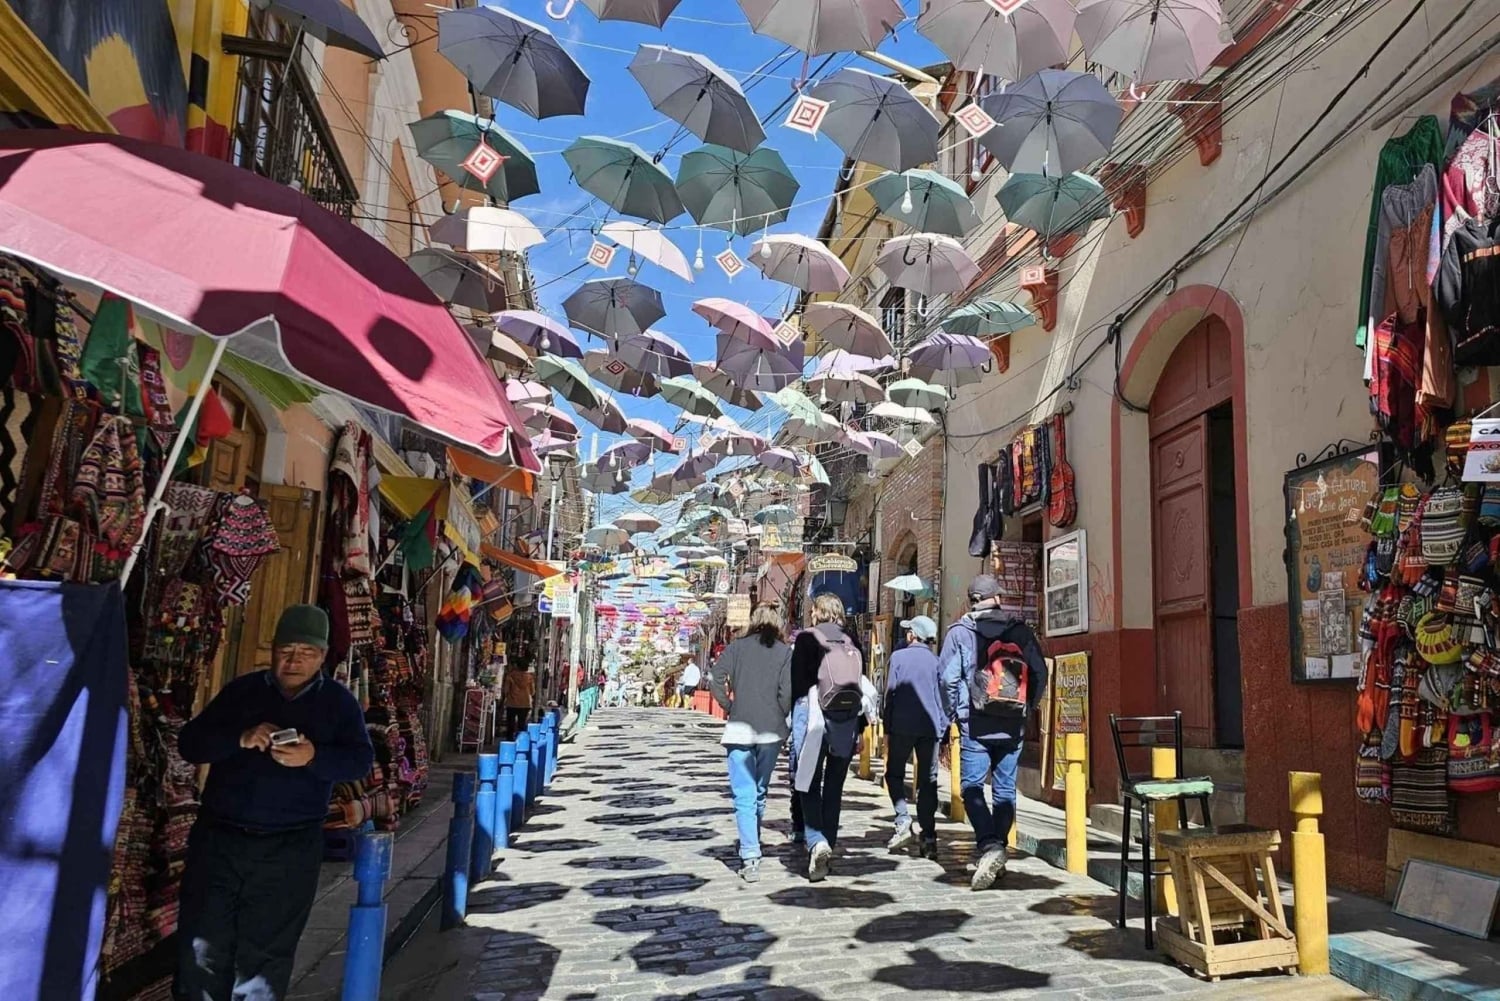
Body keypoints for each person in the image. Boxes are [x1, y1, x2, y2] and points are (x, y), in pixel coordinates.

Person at [175, 604, 374, 1001]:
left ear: (321, 657)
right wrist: (239, 737)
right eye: (287, 649)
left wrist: (314, 756)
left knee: (266, 956)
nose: (294, 660)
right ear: (273, 650)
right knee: (202, 948)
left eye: (306, 652)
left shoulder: (337, 703)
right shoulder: (242, 692)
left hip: (289, 847)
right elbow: (190, 744)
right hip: (220, 841)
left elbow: (360, 761)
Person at [940, 574, 1048, 891]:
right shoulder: (1019, 630)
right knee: (1004, 790)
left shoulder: (960, 633)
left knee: (971, 787)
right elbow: (1040, 672)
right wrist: (1028, 705)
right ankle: (997, 848)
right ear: (997, 598)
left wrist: (953, 714)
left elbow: (947, 679)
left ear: (972, 600)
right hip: (1012, 722)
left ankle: (990, 845)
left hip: (975, 722)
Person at [791, 593, 877, 882]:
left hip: (813, 718)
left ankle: (817, 841)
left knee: (807, 783)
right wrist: (861, 731)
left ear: (817, 612)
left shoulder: (806, 639)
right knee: (835, 787)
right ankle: (828, 840)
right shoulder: (852, 641)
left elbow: (797, 686)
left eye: (813, 610)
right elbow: (860, 688)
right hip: (846, 723)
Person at [710, 603, 793, 883]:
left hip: (740, 728)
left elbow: (715, 678)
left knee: (744, 793)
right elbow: (788, 691)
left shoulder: (737, 647)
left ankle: (750, 853)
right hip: (770, 731)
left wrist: (728, 705)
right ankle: (751, 842)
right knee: (759, 790)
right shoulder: (784, 652)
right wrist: (779, 713)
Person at [883, 615, 948, 860]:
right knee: (927, 781)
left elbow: (890, 694)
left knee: (894, 773)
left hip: (901, 726)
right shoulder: (936, 661)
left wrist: (886, 727)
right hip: (930, 728)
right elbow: (942, 696)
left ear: (913, 635)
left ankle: (902, 819)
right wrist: (943, 729)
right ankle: (929, 836)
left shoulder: (898, 657)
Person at [501, 663, 535, 740]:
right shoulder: (530, 678)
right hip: (524, 703)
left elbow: (506, 690)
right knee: (522, 724)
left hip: (511, 703)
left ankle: (509, 740)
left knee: (510, 724)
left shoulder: (510, 676)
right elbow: (532, 692)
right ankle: (521, 741)